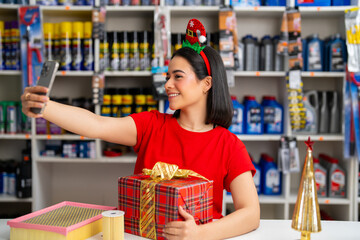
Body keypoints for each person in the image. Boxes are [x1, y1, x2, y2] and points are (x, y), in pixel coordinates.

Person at [21, 19, 260, 240]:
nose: (167, 85)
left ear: (206, 83)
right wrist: (45, 107)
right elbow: (97, 124)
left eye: (178, 76)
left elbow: (250, 213)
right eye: (168, 77)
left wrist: (200, 233)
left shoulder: (228, 144)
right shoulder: (152, 125)